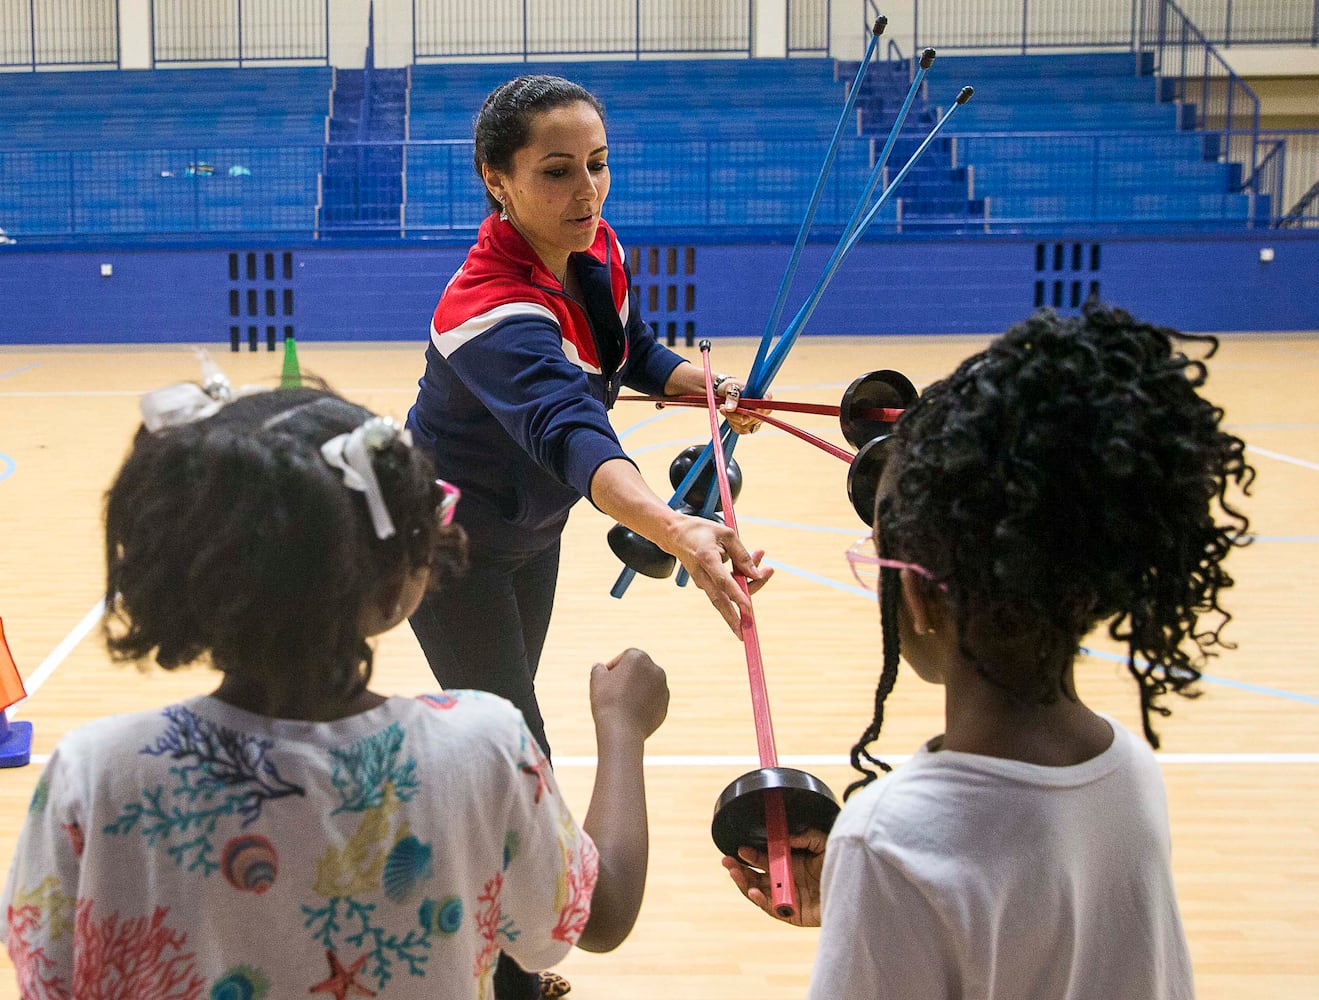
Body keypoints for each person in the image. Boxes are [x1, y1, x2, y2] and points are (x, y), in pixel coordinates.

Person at [1, 383, 670, 1000]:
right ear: (395, 578)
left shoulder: (95, 772)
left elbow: (51, 974)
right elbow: (600, 915)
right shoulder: (479, 747)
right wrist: (621, 726)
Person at [722, 304, 1256, 998]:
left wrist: (875, 883)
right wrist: (864, 906)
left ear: (923, 595)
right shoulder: (1127, 770)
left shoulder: (887, 839)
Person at [405, 73, 772, 763]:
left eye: (597, 164)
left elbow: (627, 352)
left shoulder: (597, 246)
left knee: (496, 725)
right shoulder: (487, 309)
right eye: (556, 171)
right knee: (516, 753)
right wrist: (674, 528)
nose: (588, 190)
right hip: (449, 548)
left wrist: (715, 388)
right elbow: (570, 431)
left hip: (531, 530)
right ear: (497, 179)